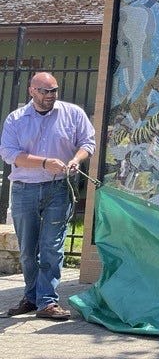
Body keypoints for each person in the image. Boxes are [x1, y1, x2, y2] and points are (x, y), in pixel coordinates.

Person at [0, 72, 95, 321]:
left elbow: (88, 142)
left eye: (54, 91)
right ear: (31, 91)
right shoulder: (16, 119)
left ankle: (47, 302)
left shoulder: (73, 113)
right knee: (28, 251)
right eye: (44, 91)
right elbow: (9, 153)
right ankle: (31, 297)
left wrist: (76, 160)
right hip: (23, 189)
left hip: (58, 189)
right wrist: (44, 163)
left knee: (52, 247)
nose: (49, 96)